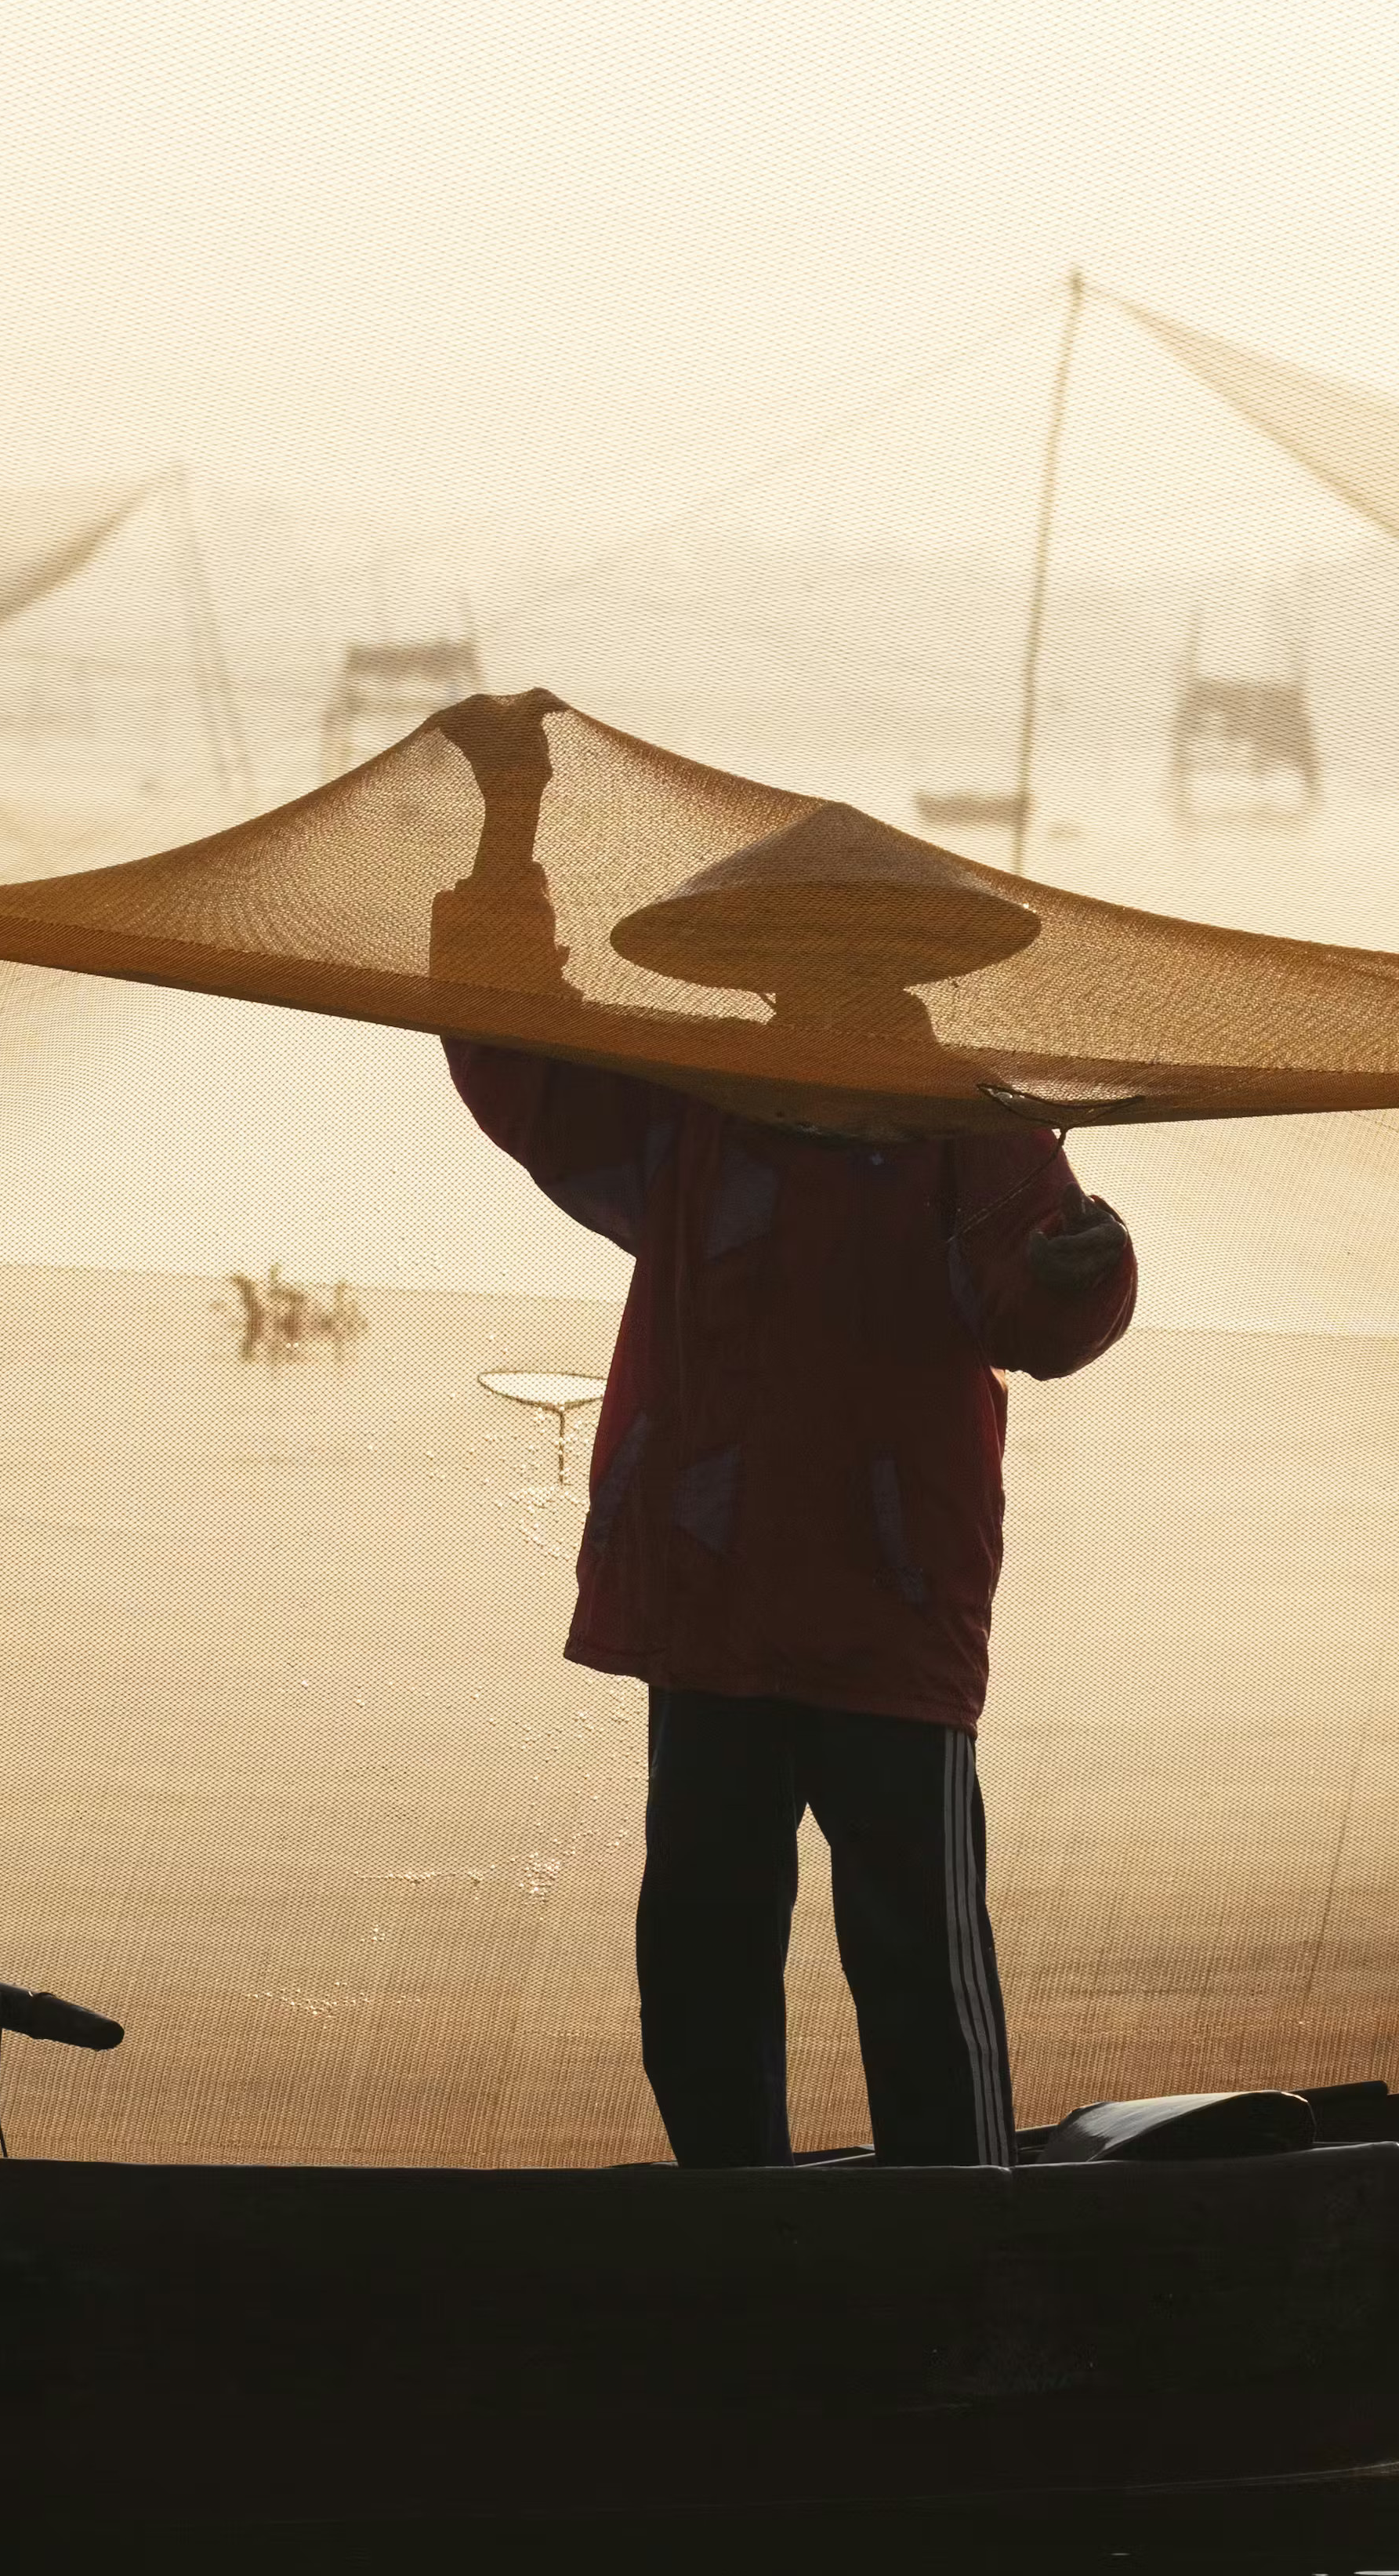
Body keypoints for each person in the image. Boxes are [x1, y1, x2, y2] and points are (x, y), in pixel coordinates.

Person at [425, 693, 1135, 2168]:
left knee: (918, 1966)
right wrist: (510, 820)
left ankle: (959, 2239)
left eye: (856, 961)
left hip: (886, 1614)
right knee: (698, 1949)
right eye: (801, 963)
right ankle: (739, 2229)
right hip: (708, 1601)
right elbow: (515, 1051)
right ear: (759, 979)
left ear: (907, 970)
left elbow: (1036, 1301)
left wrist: (1085, 1266)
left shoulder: (971, 1123)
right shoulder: (702, 1117)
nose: (826, 989)